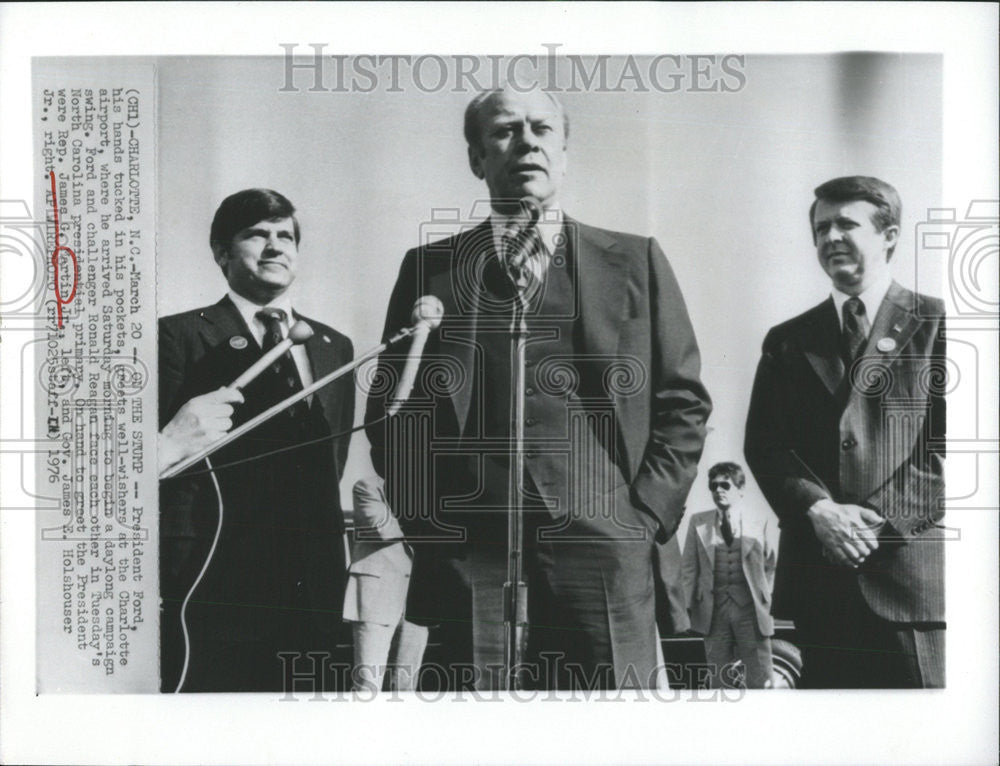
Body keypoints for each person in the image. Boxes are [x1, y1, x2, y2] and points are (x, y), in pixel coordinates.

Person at [365, 86, 711, 689]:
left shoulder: (634, 261)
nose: (526, 141)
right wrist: (430, 523)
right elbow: (393, 415)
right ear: (476, 158)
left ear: (565, 152)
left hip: (608, 546)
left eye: (542, 129)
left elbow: (682, 402)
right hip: (469, 550)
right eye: (504, 130)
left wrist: (646, 518)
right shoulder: (430, 268)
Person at [744, 176, 945, 688]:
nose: (829, 237)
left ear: (890, 235)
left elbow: (956, 447)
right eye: (820, 228)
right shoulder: (787, 341)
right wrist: (820, 509)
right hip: (816, 593)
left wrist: (875, 524)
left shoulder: (937, 323)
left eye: (845, 224)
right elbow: (765, 446)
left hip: (908, 589)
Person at [158, 188, 355, 692]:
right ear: (222, 253)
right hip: (216, 580)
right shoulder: (174, 337)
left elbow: (331, 463)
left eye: (285, 236)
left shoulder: (335, 347)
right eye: (257, 235)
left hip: (314, 585)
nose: (275, 247)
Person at [680, 462, 777, 689]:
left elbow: (772, 564)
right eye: (713, 486)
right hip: (714, 612)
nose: (718, 490)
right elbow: (688, 569)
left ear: (741, 489)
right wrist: (687, 606)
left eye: (725, 485)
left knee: (760, 678)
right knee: (718, 678)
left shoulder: (760, 520)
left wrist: (764, 597)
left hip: (749, 611)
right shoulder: (698, 522)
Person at [344, 477, 429, 692]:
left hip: (418, 597)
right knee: (367, 686)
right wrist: (429, 522)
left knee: (406, 688)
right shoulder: (367, 487)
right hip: (376, 597)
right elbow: (381, 527)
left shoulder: (428, 491)